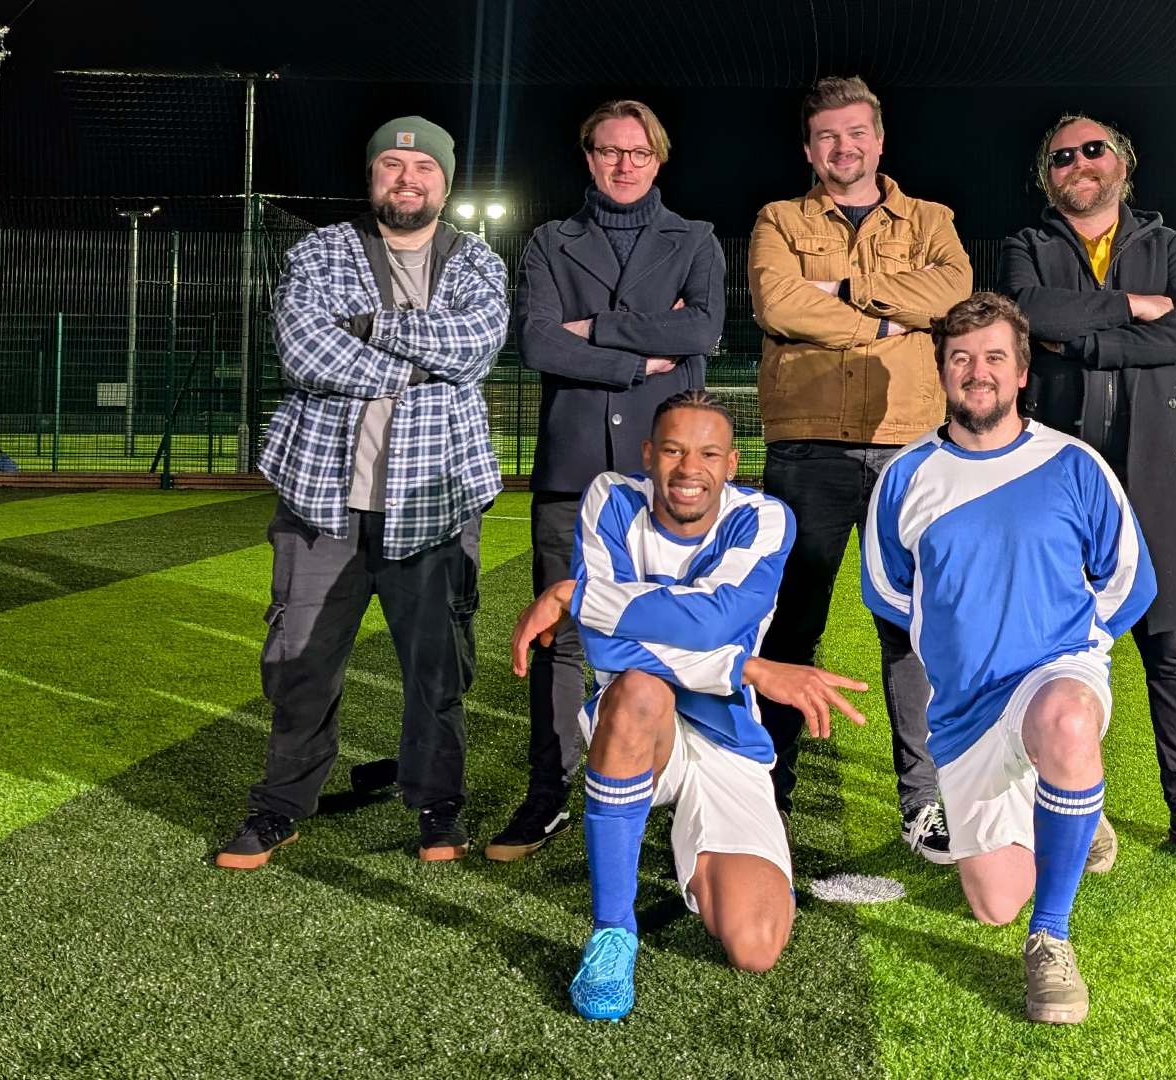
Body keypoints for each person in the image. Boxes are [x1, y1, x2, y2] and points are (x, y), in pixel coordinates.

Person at [512, 390, 868, 1020]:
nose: (689, 469)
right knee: (639, 691)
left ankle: (700, 852)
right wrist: (745, 667)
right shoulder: (611, 498)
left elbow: (712, 621)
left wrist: (577, 596)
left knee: (756, 945)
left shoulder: (764, 518)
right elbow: (606, 648)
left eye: (708, 454)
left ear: (732, 464)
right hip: (637, 723)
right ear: (649, 454)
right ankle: (612, 932)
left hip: (729, 733)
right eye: (674, 450)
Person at [216, 116, 509, 870]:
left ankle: (438, 805)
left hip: (434, 501)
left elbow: (475, 346)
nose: (408, 179)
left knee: (438, 668)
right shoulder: (320, 251)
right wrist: (420, 366)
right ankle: (282, 806)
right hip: (323, 500)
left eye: (424, 168)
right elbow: (303, 349)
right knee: (299, 664)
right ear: (373, 174)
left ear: (445, 182)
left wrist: (372, 325)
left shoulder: (475, 260)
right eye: (392, 165)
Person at [861, 293, 1155, 1025]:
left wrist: (1076, 653)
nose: (977, 371)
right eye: (961, 358)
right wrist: (960, 643)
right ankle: (1071, 799)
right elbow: (890, 591)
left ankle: (1051, 936)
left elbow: (1129, 578)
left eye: (994, 357)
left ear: (1022, 372)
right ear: (942, 372)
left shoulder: (1073, 464)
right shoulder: (906, 476)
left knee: (1066, 721)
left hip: (1055, 675)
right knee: (994, 901)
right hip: (965, 708)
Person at [998, 114, 1176, 867]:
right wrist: (1135, 308)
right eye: (1061, 156)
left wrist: (1091, 344)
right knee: (1048, 650)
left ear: (1122, 163)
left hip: (1153, 478)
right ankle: (1065, 798)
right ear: (1047, 176)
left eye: (1092, 149)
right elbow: (1030, 315)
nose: (1078, 162)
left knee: (1171, 649)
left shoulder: (1169, 245)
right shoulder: (1027, 245)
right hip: (1055, 482)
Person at [489, 100, 727, 863]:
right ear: (588, 156)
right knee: (560, 637)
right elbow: (535, 342)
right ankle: (548, 792)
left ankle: (682, 787)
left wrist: (592, 329)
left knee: (679, 632)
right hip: (573, 469)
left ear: (660, 157)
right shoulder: (550, 241)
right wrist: (638, 360)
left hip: (672, 474)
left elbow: (702, 330)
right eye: (608, 150)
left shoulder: (695, 239)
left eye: (638, 151)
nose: (624, 164)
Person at [747, 75, 972, 862]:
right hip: (806, 447)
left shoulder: (932, 219)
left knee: (911, 629)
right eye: (827, 137)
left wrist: (845, 291)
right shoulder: (778, 219)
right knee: (790, 626)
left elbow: (953, 293)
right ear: (809, 149)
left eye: (855, 133)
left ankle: (924, 803)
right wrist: (884, 321)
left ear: (879, 140)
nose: (842, 148)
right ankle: (766, 794)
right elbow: (777, 305)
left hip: (908, 446)